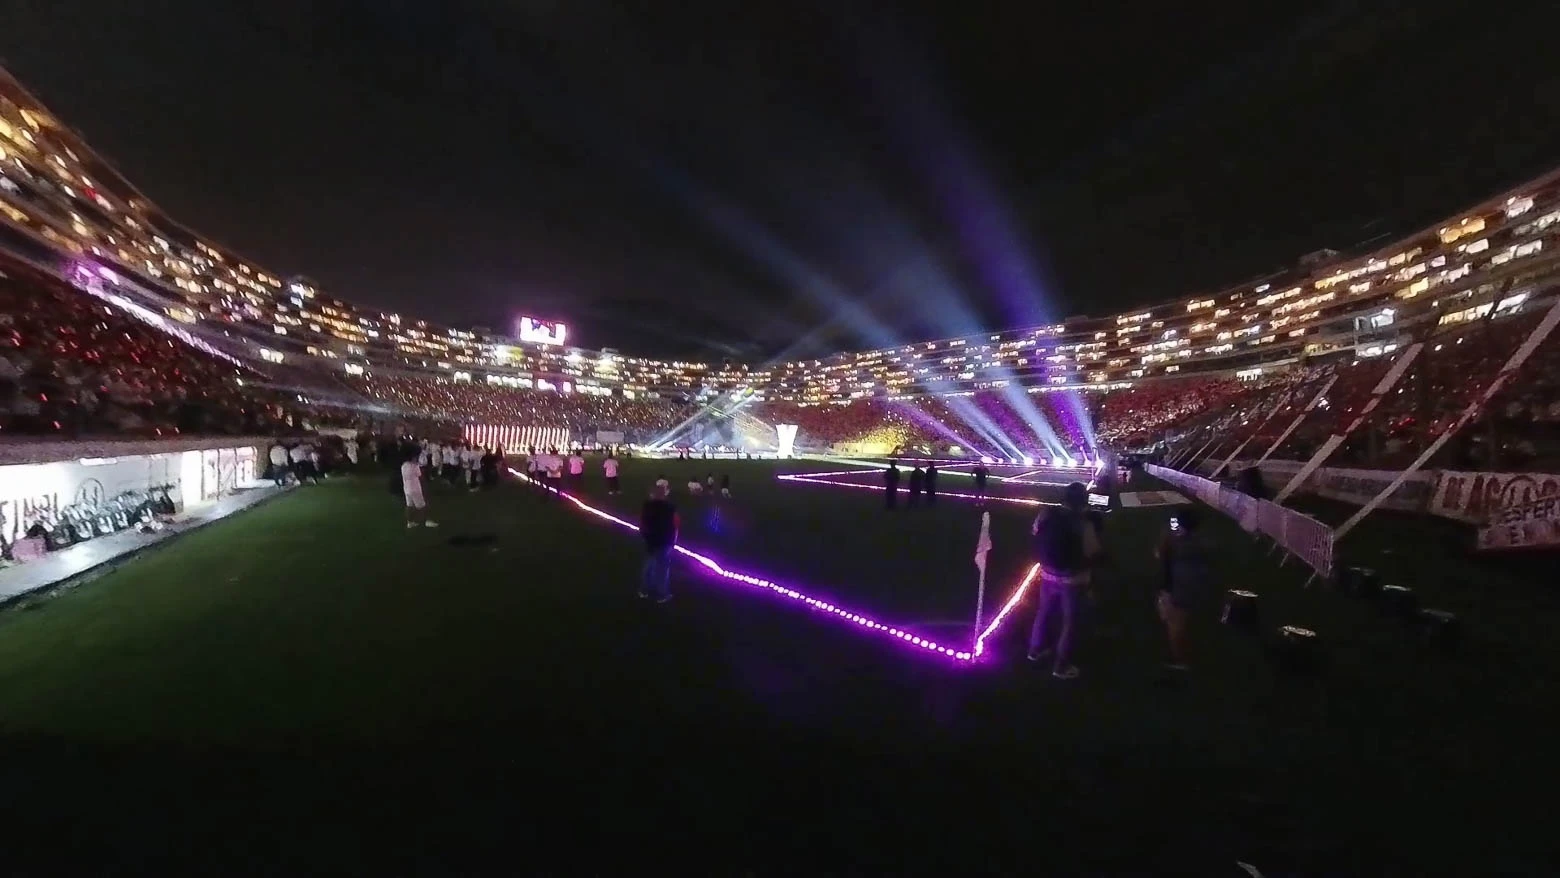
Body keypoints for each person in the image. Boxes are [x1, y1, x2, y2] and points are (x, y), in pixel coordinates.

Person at [1026, 482, 1101, 680]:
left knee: (1043, 612)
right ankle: (1061, 665)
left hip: (1048, 573)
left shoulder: (1047, 513)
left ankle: (1035, 650)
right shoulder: (1084, 522)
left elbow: (1035, 531)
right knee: (1070, 621)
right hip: (1073, 578)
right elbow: (1092, 550)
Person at [1156, 506, 1211, 671]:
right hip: (1187, 587)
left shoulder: (1178, 544)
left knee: (1175, 623)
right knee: (1178, 621)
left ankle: (1180, 659)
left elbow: (1160, 553)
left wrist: (1165, 537)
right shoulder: (1196, 542)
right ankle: (1183, 653)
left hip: (1178, 588)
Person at [639, 484, 679, 603]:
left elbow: (642, 523)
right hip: (664, 541)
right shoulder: (670, 507)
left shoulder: (647, 506)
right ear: (665, 494)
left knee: (649, 564)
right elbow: (675, 525)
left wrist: (645, 536)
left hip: (650, 541)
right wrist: (673, 541)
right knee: (662, 568)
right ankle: (662, 594)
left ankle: (644, 590)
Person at [401, 450, 438, 529]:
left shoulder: (404, 465)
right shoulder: (414, 466)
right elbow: (421, 477)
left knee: (409, 506)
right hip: (415, 489)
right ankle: (427, 521)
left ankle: (409, 522)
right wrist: (425, 487)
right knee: (423, 506)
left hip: (407, 489)